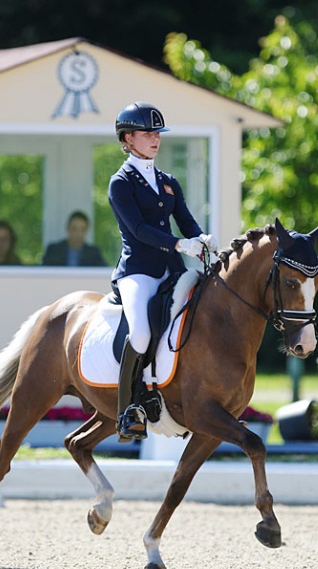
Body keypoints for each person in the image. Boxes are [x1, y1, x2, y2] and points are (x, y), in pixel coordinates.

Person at [109, 101, 217, 440]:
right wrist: (178, 245)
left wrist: (200, 238)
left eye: (157, 133)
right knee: (140, 333)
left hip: (171, 270)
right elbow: (139, 229)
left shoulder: (168, 182)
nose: (155, 139)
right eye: (147, 133)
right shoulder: (121, 183)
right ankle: (128, 412)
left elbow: (185, 221)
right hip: (139, 271)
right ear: (127, 139)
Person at [42, 211, 107, 266]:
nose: (78, 233)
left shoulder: (94, 253)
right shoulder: (54, 251)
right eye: (74, 229)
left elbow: (104, 273)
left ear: (86, 230)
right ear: (67, 228)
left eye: (82, 229)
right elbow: (43, 273)